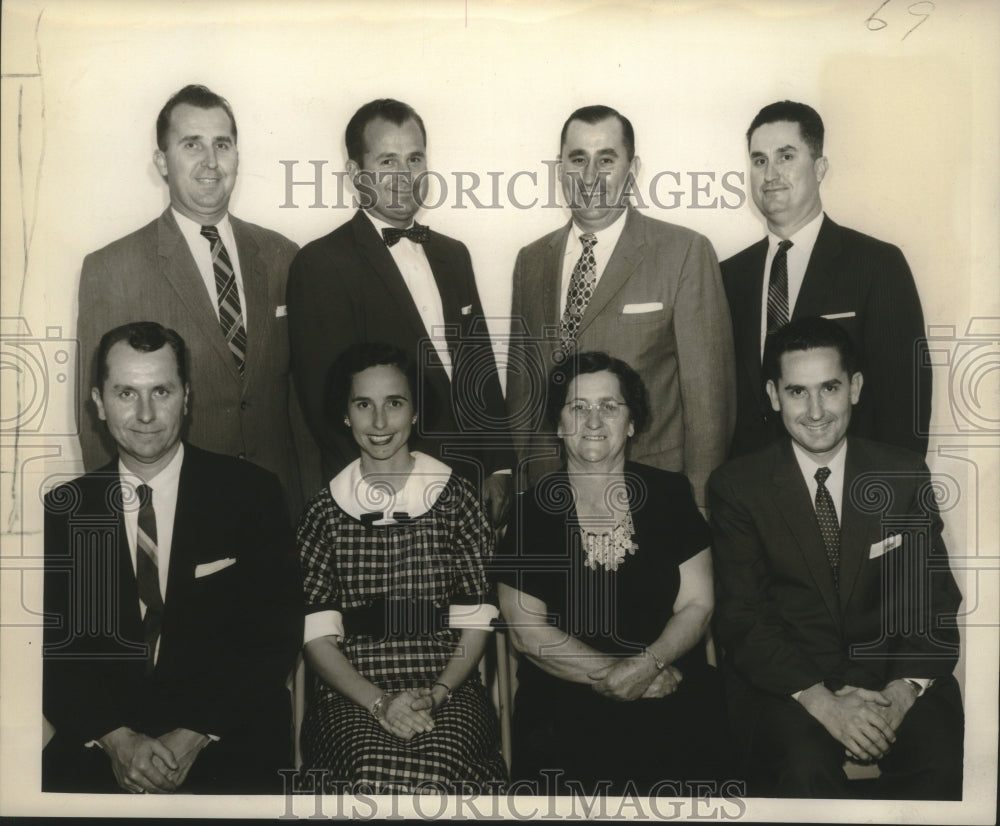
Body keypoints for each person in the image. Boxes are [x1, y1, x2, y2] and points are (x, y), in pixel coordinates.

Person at [709, 316, 963, 799]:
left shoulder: (902, 474)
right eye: (797, 392)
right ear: (772, 395)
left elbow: (931, 601)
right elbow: (744, 619)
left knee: (942, 762)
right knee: (805, 771)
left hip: (892, 678)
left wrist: (900, 693)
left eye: (829, 387)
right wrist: (824, 703)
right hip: (790, 689)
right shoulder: (738, 488)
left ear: (855, 388)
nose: (816, 410)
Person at [43, 322, 302, 793]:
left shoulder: (251, 493)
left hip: (226, 737)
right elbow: (51, 653)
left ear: (187, 396)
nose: (145, 413)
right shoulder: (64, 512)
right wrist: (117, 742)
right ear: (99, 402)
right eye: (126, 393)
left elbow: (276, 634)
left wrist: (194, 734)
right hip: (102, 744)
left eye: (161, 390)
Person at [77, 84, 318, 516]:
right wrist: (118, 525)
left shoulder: (284, 256)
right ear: (161, 162)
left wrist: (314, 507)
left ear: (237, 157)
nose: (211, 161)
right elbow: (96, 416)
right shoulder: (112, 269)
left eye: (222, 145)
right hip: (177, 517)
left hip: (279, 513)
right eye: (192, 145)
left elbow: (302, 403)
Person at [496, 351, 730, 795]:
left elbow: (698, 605)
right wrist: (622, 675)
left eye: (609, 406)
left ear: (632, 423)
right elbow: (527, 632)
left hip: (671, 683)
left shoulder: (670, 495)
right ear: (558, 424)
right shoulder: (529, 513)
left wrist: (648, 664)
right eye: (578, 407)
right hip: (565, 701)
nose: (593, 420)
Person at [287, 98, 512, 524]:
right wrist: (381, 501)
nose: (404, 176)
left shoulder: (454, 254)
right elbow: (328, 406)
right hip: (392, 499)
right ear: (355, 174)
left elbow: (480, 366)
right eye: (387, 161)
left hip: (474, 491)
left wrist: (499, 466)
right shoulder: (321, 264)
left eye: (414, 159)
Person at [296, 342, 506, 793]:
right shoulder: (322, 512)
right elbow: (317, 640)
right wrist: (379, 702)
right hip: (351, 695)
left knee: (439, 771)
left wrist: (439, 692)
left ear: (414, 412)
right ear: (346, 415)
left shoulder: (457, 499)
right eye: (363, 405)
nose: (378, 422)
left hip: (449, 687)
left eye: (394, 403)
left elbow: (476, 627)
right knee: (370, 772)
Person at [506, 104, 735, 508]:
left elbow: (708, 401)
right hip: (550, 493)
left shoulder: (683, 252)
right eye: (578, 159)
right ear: (560, 169)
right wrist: (524, 489)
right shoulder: (532, 260)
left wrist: (700, 505)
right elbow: (524, 389)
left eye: (606, 160)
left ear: (633, 168)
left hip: (651, 491)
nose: (590, 176)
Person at [721, 100, 931, 459]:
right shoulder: (728, 276)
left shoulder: (877, 264)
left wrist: (886, 497)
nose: (770, 174)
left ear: (819, 168)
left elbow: (904, 403)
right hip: (754, 498)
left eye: (786, 156)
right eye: (759, 160)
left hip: (853, 494)